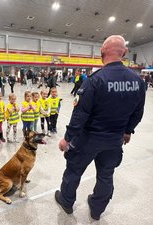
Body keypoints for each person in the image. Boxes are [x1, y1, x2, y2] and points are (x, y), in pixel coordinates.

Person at [55, 35, 145, 220]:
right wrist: (128, 131)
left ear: (101, 53)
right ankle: (97, 209)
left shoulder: (95, 80)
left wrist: (67, 138)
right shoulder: (137, 81)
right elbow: (138, 112)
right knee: (106, 175)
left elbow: (80, 115)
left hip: (88, 139)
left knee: (73, 170)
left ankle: (66, 201)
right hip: (114, 140)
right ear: (125, 53)